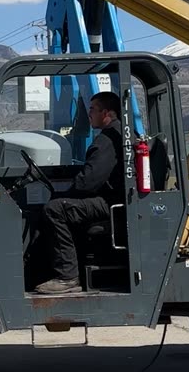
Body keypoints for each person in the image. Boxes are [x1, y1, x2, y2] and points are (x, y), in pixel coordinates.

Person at [33, 91, 125, 295]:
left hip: (110, 203)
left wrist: (63, 193)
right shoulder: (115, 135)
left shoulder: (107, 140)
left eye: (93, 109)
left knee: (55, 209)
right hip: (114, 200)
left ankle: (67, 277)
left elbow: (88, 182)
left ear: (107, 113)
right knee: (61, 204)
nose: (89, 114)